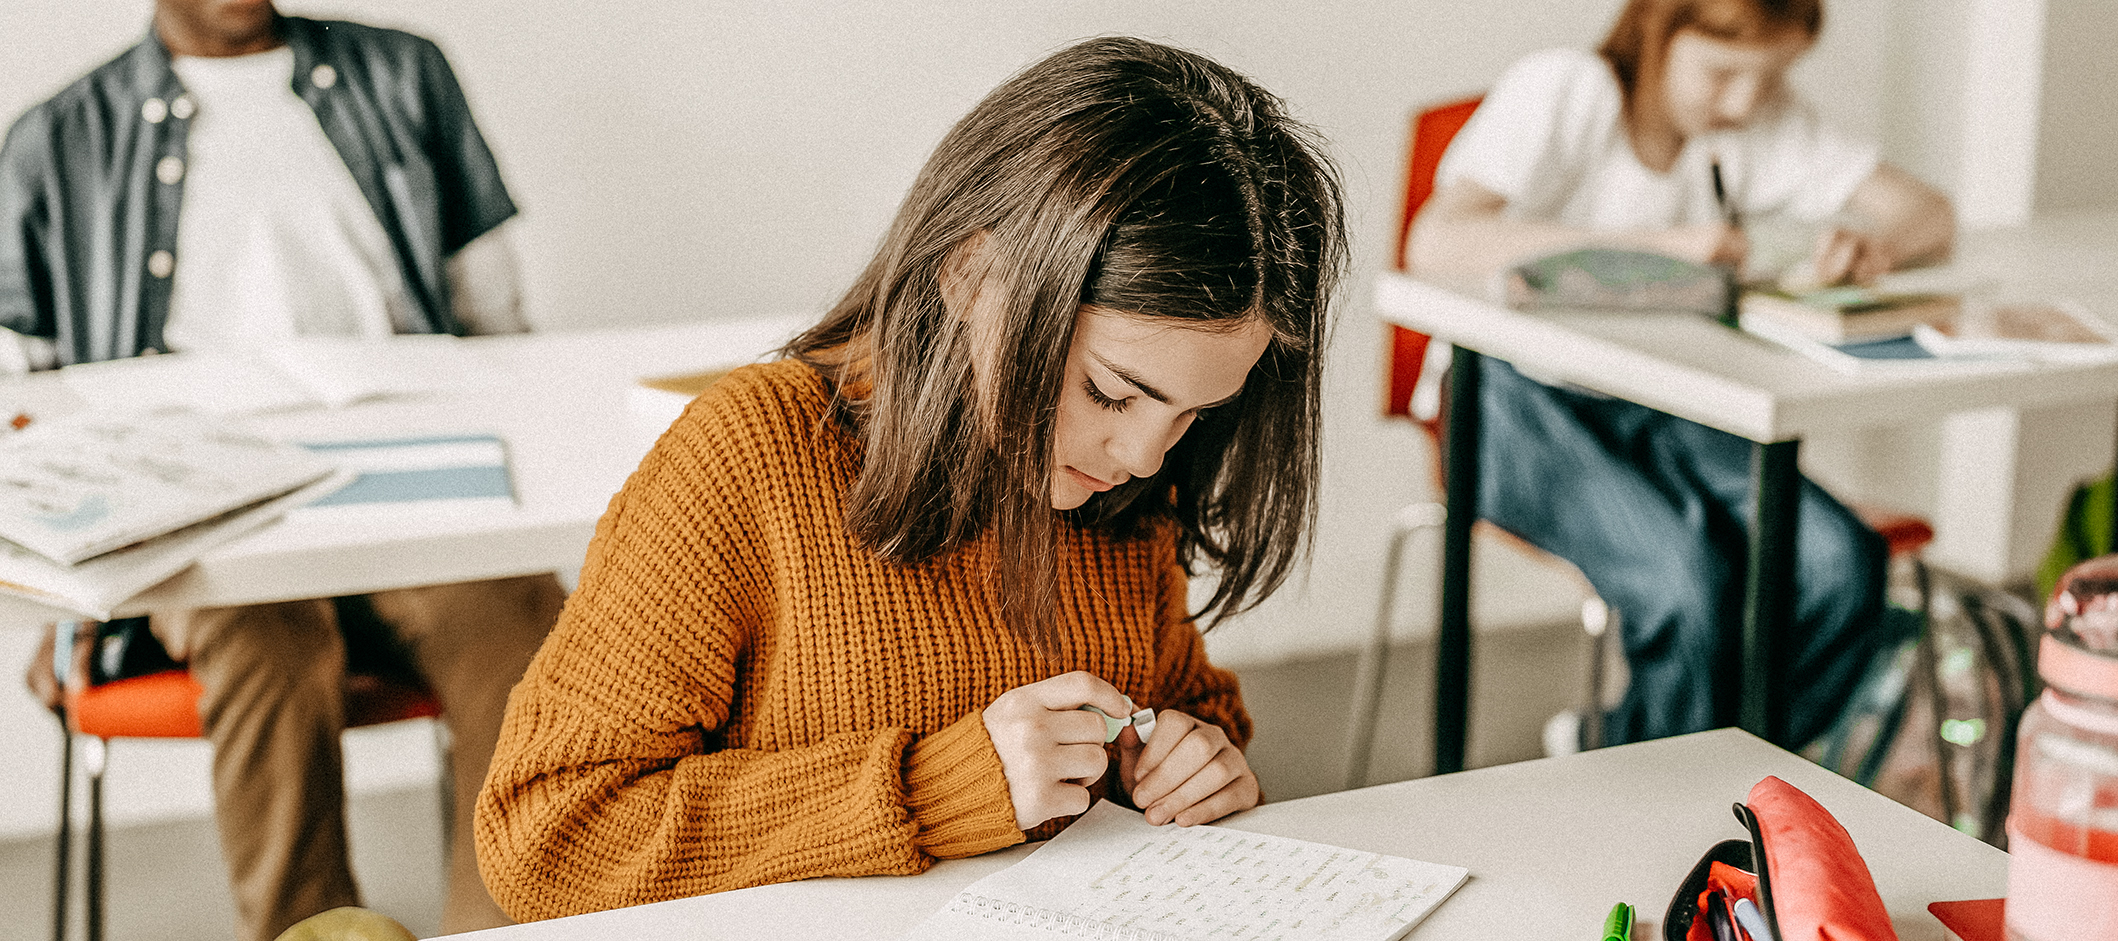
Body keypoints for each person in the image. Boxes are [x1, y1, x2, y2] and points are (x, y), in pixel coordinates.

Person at [473, 36, 1345, 921]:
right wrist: (936, 788)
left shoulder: (1114, 483)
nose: (1146, 457)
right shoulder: (750, 454)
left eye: (1193, 415)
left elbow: (1178, 706)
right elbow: (546, 836)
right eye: (1111, 392)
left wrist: (1192, 762)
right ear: (974, 276)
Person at [0, 2, 562, 938]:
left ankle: (509, 926)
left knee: (521, 627)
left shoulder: (406, 73)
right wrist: (71, 603)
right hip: (195, 517)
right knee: (271, 641)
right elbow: (24, 406)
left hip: (412, 489)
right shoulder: (56, 137)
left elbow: (497, 322)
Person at [1407, 0, 1955, 750]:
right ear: (1661, 28)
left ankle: (1686, 764)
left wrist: (1871, 245)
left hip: (1658, 399)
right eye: (1723, 72)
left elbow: (1927, 212)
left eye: (1771, 76)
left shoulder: (1754, 124)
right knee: (1686, 585)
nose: (1745, 101)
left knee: (1839, 564)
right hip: (1508, 400)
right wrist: (1655, 249)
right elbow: (1436, 241)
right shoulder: (1569, 89)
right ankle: (1653, 780)